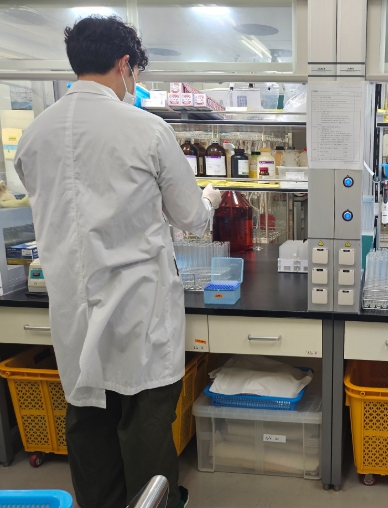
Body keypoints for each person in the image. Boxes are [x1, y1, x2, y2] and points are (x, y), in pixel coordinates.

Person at [14, 15, 222, 508]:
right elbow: (191, 217)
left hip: (74, 312)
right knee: (145, 427)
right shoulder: (146, 129)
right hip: (138, 312)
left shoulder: (34, 135)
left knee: (88, 427)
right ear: (125, 64)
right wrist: (210, 198)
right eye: (135, 72)